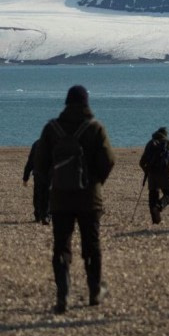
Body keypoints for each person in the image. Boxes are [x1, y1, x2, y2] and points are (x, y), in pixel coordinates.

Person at [33, 85, 115, 314]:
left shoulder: (52, 129)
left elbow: (39, 165)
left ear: (66, 103)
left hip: (60, 198)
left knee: (62, 246)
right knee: (92, 245)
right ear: (87, 103)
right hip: (90, 198)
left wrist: (53, 183)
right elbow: (108, 160)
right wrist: (96, 181)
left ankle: (63, 295)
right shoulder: (95, 128)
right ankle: (94, 291)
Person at [138, 127, 169, 225]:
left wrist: (146, 171)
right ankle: (160, 206)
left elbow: (141, 162)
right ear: (165, 134)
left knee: (153, 195)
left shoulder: (150, 143)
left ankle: (155, 219)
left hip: (152, 174)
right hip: (164, 173)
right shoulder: (168, 143)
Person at [22, 138, 50, 224]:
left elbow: (30, 161)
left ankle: (38, 215)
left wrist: (25, 178)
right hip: (50, 174)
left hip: (38, 173)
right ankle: (46, 216)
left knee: (38, 194)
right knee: (47, 195)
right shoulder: (55, 143)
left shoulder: (37, 143)